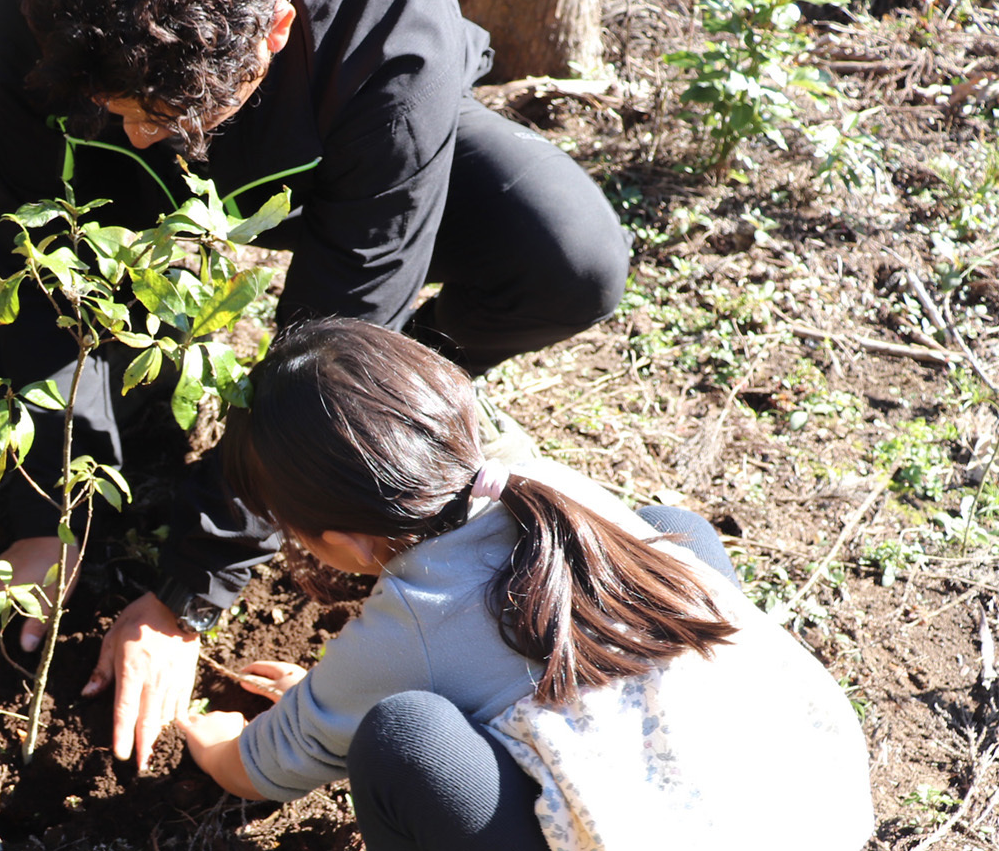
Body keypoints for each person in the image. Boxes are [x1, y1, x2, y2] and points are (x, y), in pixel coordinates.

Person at [0, 0, 633, 771]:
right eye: (121, 109)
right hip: (141, 184)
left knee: (568, 261)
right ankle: (129, 363)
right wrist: (52, 523)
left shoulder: (388, 6)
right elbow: (35, 252)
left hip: (336, 144)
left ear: (277, 28)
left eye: (164, 113)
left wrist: (191, 593)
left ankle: (401, 410)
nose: (145, 132)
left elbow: (345, 316)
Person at [173, 318, 872, 849]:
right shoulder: (549, 492)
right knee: (669, 528)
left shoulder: (409, 618)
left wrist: (216, 742)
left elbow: (267, 767)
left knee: (402, 737)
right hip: (809, 800)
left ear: (341, 542)